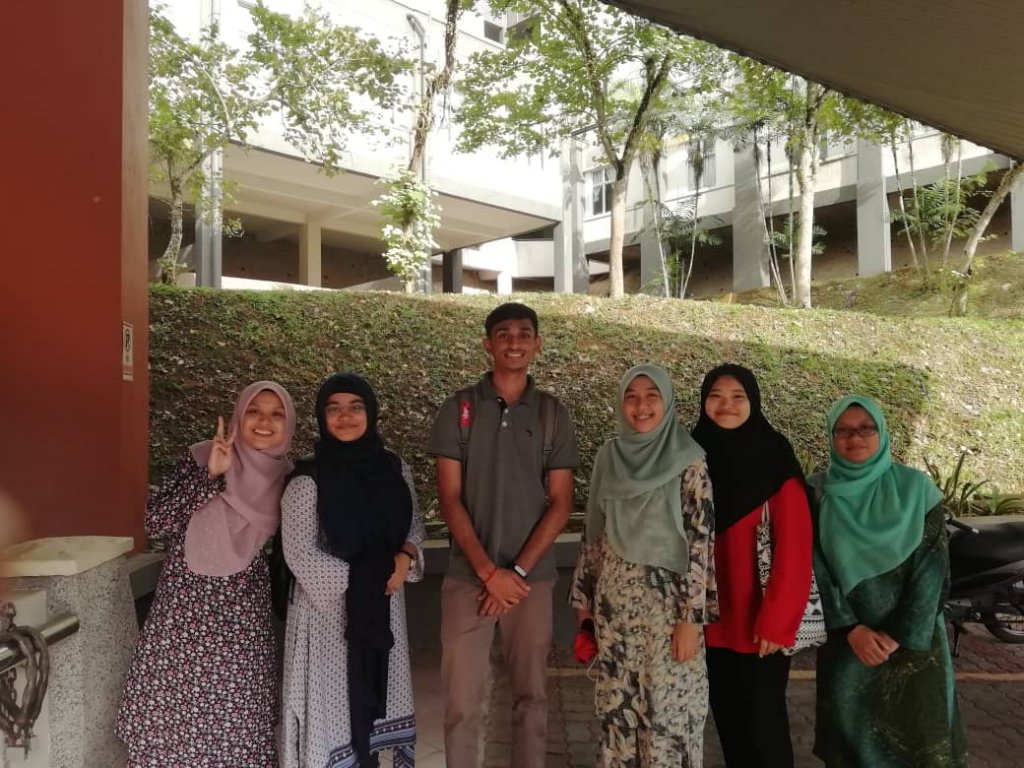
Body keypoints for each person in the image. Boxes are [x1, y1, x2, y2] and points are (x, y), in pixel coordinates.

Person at [427, 302, 578, 768]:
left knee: (532, 698)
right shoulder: (459, 409)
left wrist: (516, 572)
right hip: (468, 578)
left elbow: (561, 503)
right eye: (504, 334)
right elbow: (450, 499)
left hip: (531, 581)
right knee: (463, 703)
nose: (515, 342)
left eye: (524, 334)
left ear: (537, 344)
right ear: (488, 344)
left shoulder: (552, 414)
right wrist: (490, 573)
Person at [117, 381, 296, 768]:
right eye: (254, 411)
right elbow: (155, 520)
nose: (264, 421)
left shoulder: (290, 479)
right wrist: (211, 477)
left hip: (241, 615)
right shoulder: (202, 456)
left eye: (276, 414)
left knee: (239, 716)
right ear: (239, 415)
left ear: (289, 423)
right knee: (170, 713)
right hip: (183, 609)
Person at [570, 363, 717, 768]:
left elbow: (701, 545)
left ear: (667, 402)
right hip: (615, 613)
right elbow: (594, 533)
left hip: (668, 617)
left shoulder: (690, 462)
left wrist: (691, 621)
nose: (641, 406)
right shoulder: (609, 457)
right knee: (619, 721)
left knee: (670, 722)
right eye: (631, 397)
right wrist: (585, 606)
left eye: (652, 396)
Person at [810, 395, 968, 767]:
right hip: (849, 646)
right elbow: (814, 568)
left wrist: (898, 634)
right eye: (843, 430)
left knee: (921, 745)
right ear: (831, 437)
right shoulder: (816, 493)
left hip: (915, 648)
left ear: (882, 433)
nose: (855, 438)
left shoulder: (916, 490)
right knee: (853, 747)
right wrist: (849, 628)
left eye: (866, 428)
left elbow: (933, 569)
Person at [279, 373, 425, 768]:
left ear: (371, 413)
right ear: (321, 417)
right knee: (334, 712)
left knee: (375, 712)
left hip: (383, 609)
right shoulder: (308, 480)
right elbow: (300, 555)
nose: (345, 417)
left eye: (355, 407)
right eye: (334, 409)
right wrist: (375, 576)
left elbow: (413, 525)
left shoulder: (395, 469)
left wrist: (406, 557)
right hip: (327, 619)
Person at [691, 364, 812, 768]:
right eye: (716, 396)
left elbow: (795, 547)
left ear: (753, 402)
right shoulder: (692, 453)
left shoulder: (774, 457)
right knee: (730, 727)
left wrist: (777, 622)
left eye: (737, 396)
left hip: (758, 624)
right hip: (710, 623)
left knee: (764, 729)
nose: (726, 405)